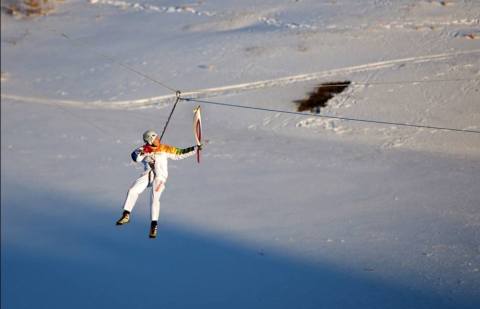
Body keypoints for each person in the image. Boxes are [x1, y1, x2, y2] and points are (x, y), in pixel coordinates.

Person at [116, 129, 201, 238]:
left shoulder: (164, 148)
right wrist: (145, 151)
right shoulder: (143, 149)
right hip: (148, 175)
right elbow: (135, 157)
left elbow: (180, 153)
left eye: (157, 137)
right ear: (150, 140)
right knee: (133, 190)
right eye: (155, 138)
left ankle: (154, 225)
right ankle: (126, 215)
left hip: (160, 177)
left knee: (155, 197)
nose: (158, 139)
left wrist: (195, 149)